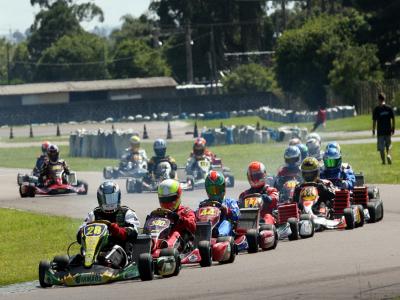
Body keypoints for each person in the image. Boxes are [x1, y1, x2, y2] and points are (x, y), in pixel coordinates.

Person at [77, 181, 140, 268]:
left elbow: (134, 232)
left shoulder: (126, 212)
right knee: (76, 257)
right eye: (105, 199)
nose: (109, 202)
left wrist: (118, 230)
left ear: (118, 197)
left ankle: (107, 263)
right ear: (100, 199)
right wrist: (82, 232)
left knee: (115, 251)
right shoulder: (94, 214)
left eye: (112, 198)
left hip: (119, 249)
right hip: (95, 249)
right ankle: (77, 264)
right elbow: (80, 234)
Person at [198, 171, 240, 236]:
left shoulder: (229, 202)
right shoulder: (204, 204)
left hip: (225, 233)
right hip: (207, 229)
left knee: (226, 223)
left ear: (223, 188)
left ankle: (220, 234)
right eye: (212, 190)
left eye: (217, 190)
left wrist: (227, 211)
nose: (215, 193)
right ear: (207, 190)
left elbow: (237, 215)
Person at [373, 92, 395, 165]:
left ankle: (383, 161)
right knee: (389, 145)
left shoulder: (376, 109)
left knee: (381, 148)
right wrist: (393, 127)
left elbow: (374, 121)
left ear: (379, 99)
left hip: (380, 132)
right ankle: (388, 155)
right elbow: (393, 118)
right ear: (384, 99)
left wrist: (373, 129)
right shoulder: (389, 108)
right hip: (388, 130)